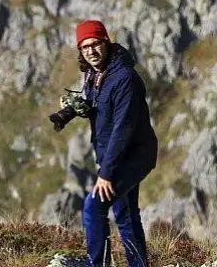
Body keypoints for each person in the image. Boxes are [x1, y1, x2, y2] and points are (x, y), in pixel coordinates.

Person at [65, 19, 158, 267]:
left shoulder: (124, 78)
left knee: (94, 206)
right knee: (125, 215)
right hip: (115, 155)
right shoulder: (95, 74)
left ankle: (96, 264)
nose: (91, 52)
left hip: (133, 156)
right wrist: (69, 112)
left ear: (106, 42)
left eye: (95, 44)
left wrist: (106, 173)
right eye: (85, 48)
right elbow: (94, 106)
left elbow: (123, 128)